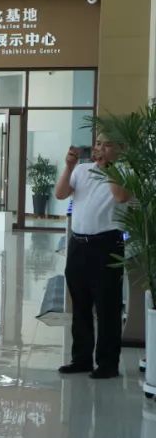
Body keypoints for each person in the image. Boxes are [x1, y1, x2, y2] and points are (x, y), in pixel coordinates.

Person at [55, 137, 131, 378]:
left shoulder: (125, 172)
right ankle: (81, 359)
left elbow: (120, 197)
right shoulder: (81, 170)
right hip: (78, 245)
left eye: (107, 144)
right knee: (80, 305)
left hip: (107, 245)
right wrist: (69, 166)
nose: (100, 148)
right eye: (98, 143)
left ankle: (108, 364)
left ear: (119, 148)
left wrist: (108, 167)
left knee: (107, 306)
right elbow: (60, 194)